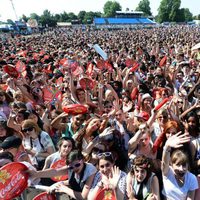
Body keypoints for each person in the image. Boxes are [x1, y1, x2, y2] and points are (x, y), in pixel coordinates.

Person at [27, 150, 97, 200]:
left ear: (83, 160)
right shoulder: (71, 167)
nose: (74, 169)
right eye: (71, 167)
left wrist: (64, 188)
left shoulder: (90, 170)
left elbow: (83, 197)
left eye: (77, 165)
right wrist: (36, 174)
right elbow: (55, 172)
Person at [161, 132, 198, 200]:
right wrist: (167, 147)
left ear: (188, 166)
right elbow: (164, 163)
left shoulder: (192, 178)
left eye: (184, 165)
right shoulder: (167, 172)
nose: (181, 169)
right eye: (178, 165)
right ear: (171, 164)